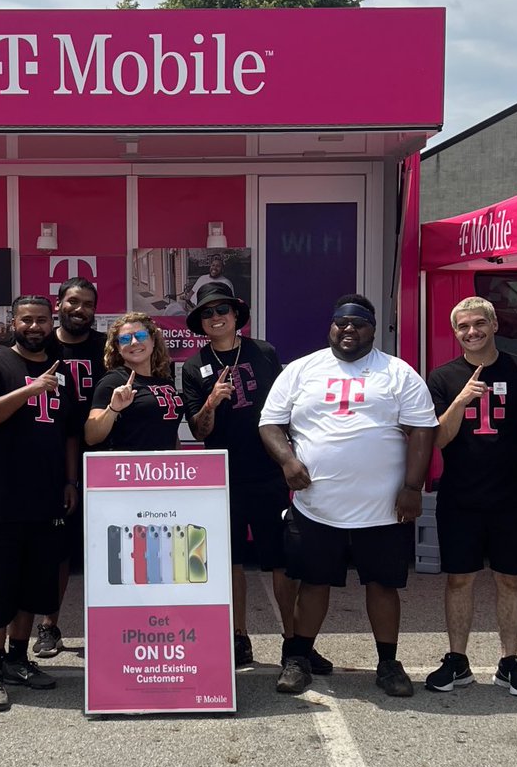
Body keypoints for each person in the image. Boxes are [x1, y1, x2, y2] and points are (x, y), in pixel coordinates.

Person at [259, 294, 437, 697]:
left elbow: (424, 430)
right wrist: (288, 462)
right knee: (313, 582)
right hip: (317, 505)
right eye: (341, 322)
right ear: (331, 326)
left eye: (358, 323)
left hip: (384, 507)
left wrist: (413, 488)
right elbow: (270, 423)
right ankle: (299, 658)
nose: (349, 329)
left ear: (373, 328)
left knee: (382, 585)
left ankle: (388, 664)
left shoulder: (398, 373)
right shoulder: (302, 370)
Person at [181, 281, 331, 677]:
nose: (217, 317)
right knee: (230, 561)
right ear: (200, 322)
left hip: (268, 472)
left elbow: (287, 408)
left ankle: (294, 642)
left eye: (223, 310)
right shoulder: (193, 366)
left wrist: (293, 456)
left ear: (236, 315)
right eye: (209, 313)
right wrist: (212, 401)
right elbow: (198, 431)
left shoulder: (264, 352)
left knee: (280, 562)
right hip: (222, 476)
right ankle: (238, 637)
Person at [423, 296, 517, 697]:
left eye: (479, 324)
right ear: (455, 331)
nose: (472, 332)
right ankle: (457, 660)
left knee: (510, 579)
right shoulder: (441, 377)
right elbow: (439, 437)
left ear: (494, 325)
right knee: (459, 578)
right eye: (463, 326)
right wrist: (461, 400)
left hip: (511, 494)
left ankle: (509, 662)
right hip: (461, 494)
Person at [0, 295, 75, 710]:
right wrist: (30, 389)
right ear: (13, 322)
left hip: (45, 497)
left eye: (42, 320)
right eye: (26, 319)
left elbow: (67, 431)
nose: (35, 327)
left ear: (52, 323)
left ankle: (17, 658)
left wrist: (69, 480)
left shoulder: (60, 369)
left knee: (33, 587)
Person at [35, 278, 106, 660]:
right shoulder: (42, 345)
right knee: (56, 551)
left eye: (88, 304)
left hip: (104, 452)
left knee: (111, 545)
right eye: (73, 301)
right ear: (58, 303)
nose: (80, 309)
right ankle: (49, 625)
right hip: (52, 456)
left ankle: (113, 623)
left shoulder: (107, 348)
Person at [85, 313, 184, 451]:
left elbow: (170, 431)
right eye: (125, 339)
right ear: (118, 348)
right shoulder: (113, 380)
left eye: (141, 336)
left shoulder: (165, 380)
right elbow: (91, 436)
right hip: (131, 469)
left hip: (165, 469)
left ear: (153, 340)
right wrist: (113, 409)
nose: (134, 342)